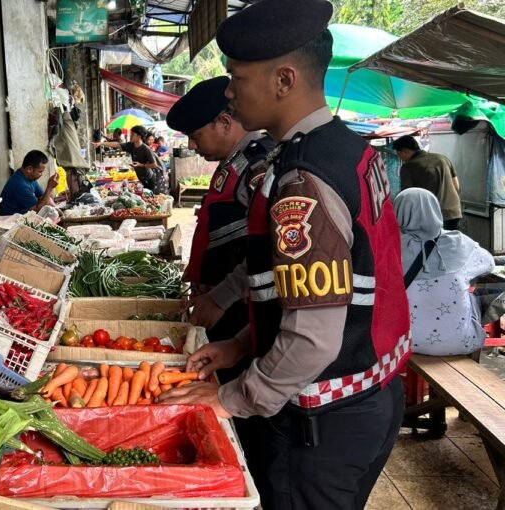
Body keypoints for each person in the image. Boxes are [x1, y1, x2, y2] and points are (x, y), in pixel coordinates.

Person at [158, 1, 411, 508]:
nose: (228, 92)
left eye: (236, 78)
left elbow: (313, 337)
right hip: (370, 396)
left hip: (321, 421)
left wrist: (234, 397)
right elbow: (316, 294)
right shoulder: (347, 149)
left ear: (284, 80)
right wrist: (240, 345)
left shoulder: (304, 181)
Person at [167, 75, 273, 379]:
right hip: (221, 307)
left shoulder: (258, 165)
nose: (191, 144)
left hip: (241, 312)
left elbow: (269, 247)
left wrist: (222, 296)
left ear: (225, 122)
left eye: (196, 134)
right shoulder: (233, 163)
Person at [395, 188, 493, 355]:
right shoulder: (459, 242)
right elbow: (489, 263)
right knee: (475, 295)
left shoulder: (387, 248)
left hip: (403, 342)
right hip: (461, 342)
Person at [394, 135, 462, 230]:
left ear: (405, 151)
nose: (400, 158)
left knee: (434, 244)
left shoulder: (408, 167)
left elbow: (408, 197)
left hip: (431, 216)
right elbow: (456, 187)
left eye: (399, 154)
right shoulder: (442, 158)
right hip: (453, 213)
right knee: (453, 243)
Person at [93, 125, 167, 193]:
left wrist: (140, 165)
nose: (131, 136)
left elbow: (154, 165)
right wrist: (101, 143)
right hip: (140, 178)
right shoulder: (130, 145)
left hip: (148, 179)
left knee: (149, 199)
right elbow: (117, 144)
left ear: (139, 136)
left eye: (133, 135)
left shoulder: (146, 149)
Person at [0, 150, 58, 216]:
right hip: (9, 220)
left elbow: (45, 198)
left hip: (21, 215)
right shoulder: (20, 184)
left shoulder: (30, 178)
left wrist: (61, 214)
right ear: (29, 169)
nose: (41, 174)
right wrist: (49, 188)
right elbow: (37, 209)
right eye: (40, 171)